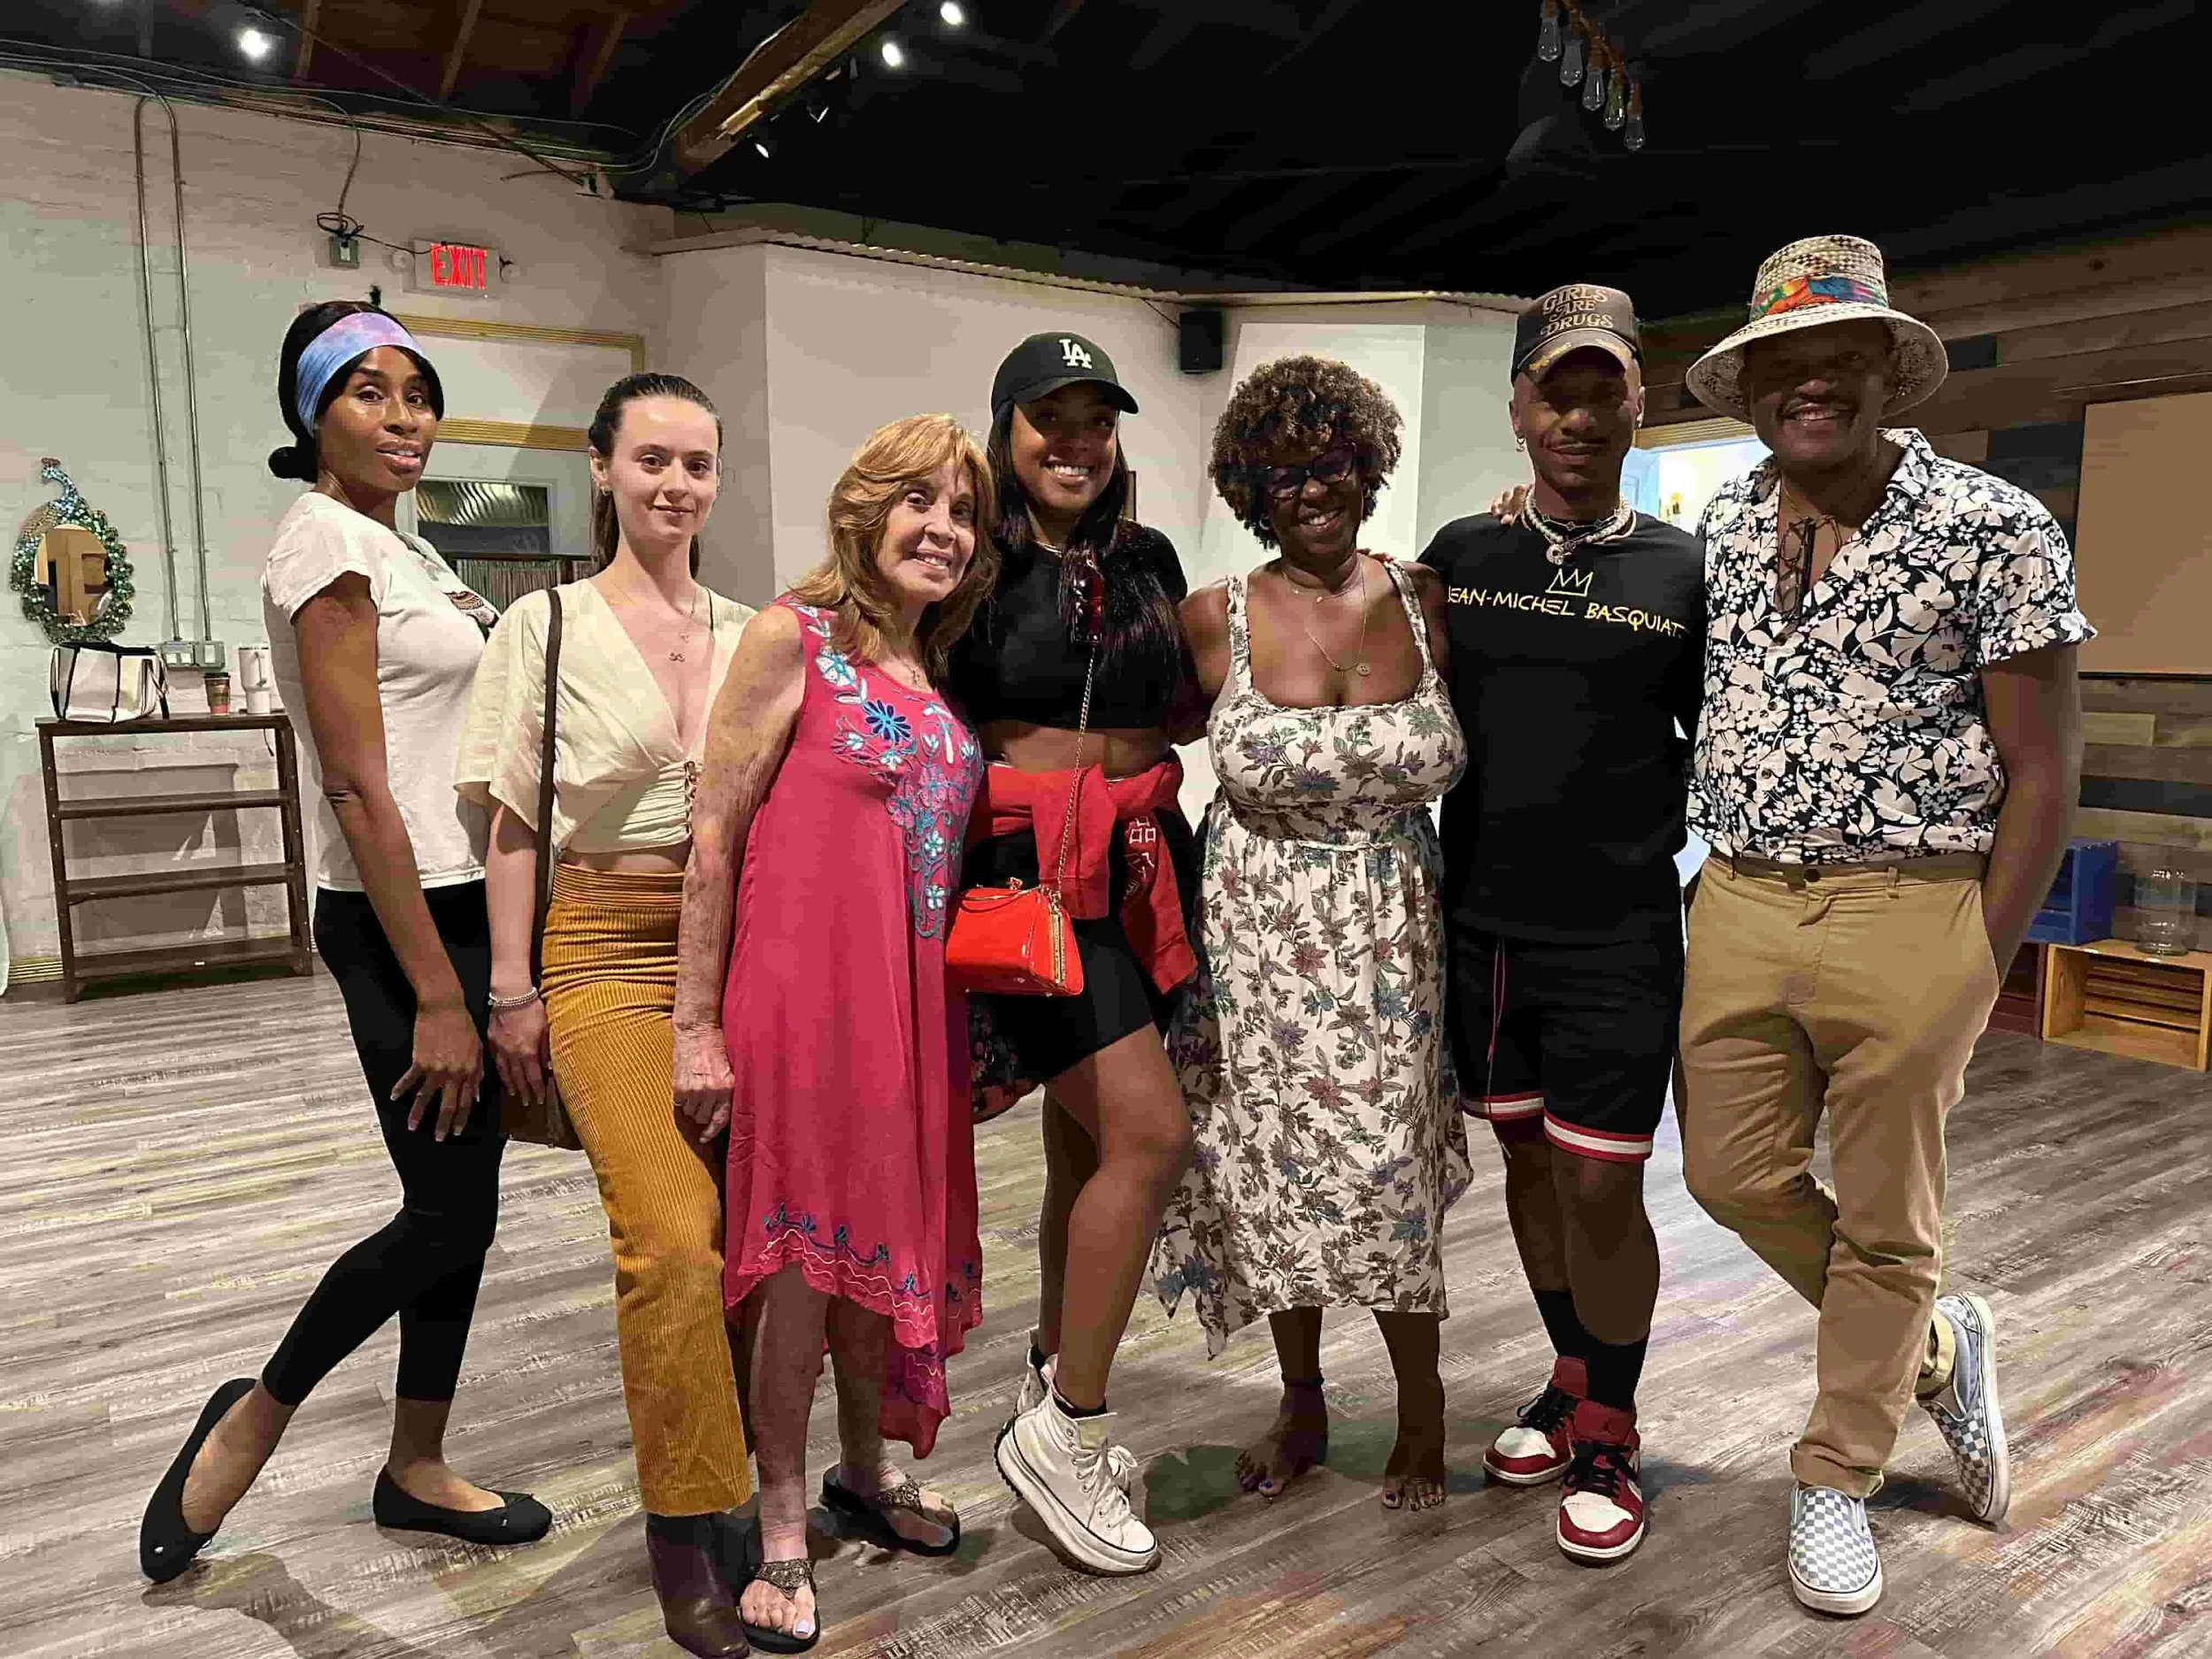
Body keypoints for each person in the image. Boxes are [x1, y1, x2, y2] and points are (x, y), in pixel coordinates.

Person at [1675, 235, 2088, 1616]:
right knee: (1731, 1173)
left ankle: (1837, 1474)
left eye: (1836, 361)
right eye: (1782, 367)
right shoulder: (1729, 524)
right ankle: (1930, 1354)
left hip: (1915, 903)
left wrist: (1979, 961)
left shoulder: (1997, 526)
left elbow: (2047, 765)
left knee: (1892, 1215)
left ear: (1883, 373)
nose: (1810, 387)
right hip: (1738, 890)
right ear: (1752, 392)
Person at [141, 303, 550, 1586]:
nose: (404, 416)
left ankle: (416, 1466)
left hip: (460, 903)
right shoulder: (324, 543)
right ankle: (252, 1418)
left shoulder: (404, 549)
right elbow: (357, 785)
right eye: (369, 393)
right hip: (397, 922)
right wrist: (439, 987)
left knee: (463, 1210)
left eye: (418, 393)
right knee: (440, 1211)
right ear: (314, 414)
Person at [672, 413, 996, 1654]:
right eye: (918, 501)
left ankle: (864, 1471)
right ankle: (785, 1527)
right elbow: (713, 833)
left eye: (962, 512)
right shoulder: (789, 635)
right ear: (863, 512)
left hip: (914, 1015)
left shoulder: (931, 676)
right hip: (806, 1007)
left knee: (885, 1251)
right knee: (804, 1273)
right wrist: (696, 1023)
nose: (943, 528)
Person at [457, 373, 760, 1658]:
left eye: (697, 462)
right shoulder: (549, 628)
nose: (675, 483)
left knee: (758, 1235)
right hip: (598, 951)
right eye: (651, 458)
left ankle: (758, 1482)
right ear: (602, 468)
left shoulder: (758, 632)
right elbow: (513, 823)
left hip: (740, 958)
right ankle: (687, 1527)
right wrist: (511, 984)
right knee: (672, 1238)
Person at [1151, 356, 1472, 1513]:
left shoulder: (1426, 599)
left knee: (1386, 1176)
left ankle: (1422, 1408)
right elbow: (1139, 747)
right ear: (1253, 487)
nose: (1312, 489)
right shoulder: (1212, 617)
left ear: (1366, 465)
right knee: (1270, 1175)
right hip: (1256, 949)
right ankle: (1301, 1399)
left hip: (1391, 941)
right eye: (1284, 472)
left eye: (1331, 462)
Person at [1422, 286, 1705, 1564]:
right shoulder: (1462, 558)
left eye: (1606, 388)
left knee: (1605, 1180)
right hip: (1480, 927)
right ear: (1523, 405)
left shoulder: (1688, 571)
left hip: (1620, 933)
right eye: (1558, 388)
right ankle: (1571, 1368)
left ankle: (1611, 1425)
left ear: (1640, 400)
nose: (1580, 413)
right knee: (1530, 1167)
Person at [947, 332, 1198, 1576]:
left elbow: (1186, 695)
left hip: (1144, 865)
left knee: (1088, 1139)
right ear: (1004, 430)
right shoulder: (971, 561)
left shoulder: (1144, 556)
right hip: (1027, 882)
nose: (1076, 441)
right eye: (1051, 417)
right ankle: (1069, 1428)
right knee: (1149, 1134)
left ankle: (1060, 1356)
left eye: (1097, 421)